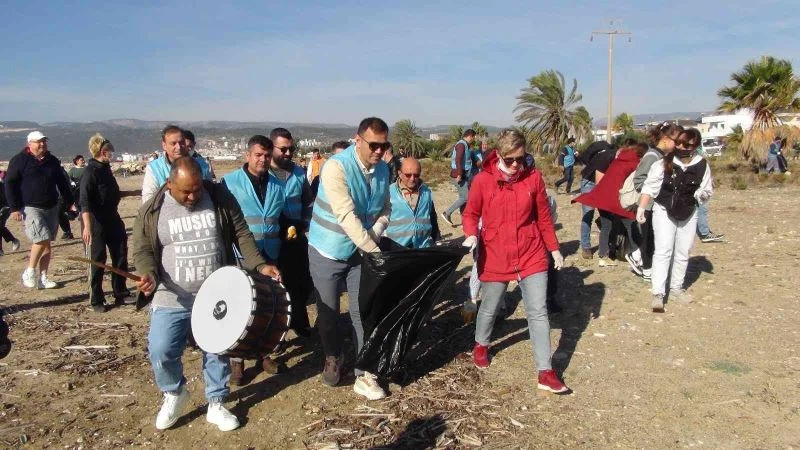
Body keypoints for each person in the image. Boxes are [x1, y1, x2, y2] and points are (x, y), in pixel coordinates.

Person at [132, 156, 282, 432]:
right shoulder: (152, 210)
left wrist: (260, 265)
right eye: (185, 191)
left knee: (216, 349)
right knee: (161, 349)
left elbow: (242, 234)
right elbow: (142, 249)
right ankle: (175, 393)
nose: (192, 196)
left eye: (196, 189)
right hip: (171, 296)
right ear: (169, 184)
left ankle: (216, 402)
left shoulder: (219, 197)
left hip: (215, 292)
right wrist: (147, 273)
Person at [462, 129, 570, 395]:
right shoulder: (482, 181)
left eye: (520, 159)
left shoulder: (533, 178)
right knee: (490, 305)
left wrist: (554, 249)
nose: (515, 165)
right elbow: (471, 212)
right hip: (495, 251)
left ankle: (545, 371)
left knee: (538, 310)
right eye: (509, 159)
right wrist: (470, 235)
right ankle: (481, 344)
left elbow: (544, 217)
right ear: (498, 155)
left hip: (530, 251)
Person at [308, 117, 392, 400]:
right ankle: (333, 355)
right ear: (358, 140)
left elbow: (385, 208)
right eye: (374, 145)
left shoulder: (383, 170)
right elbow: (345, 216)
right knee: (329, 312)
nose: (379, 151)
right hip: (327, 250)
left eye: (384, 145)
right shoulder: (335, 167)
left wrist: (375, 235)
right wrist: (375, 251)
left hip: (361, 252)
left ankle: (364, 370)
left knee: (361, 310)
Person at [221, 135, 287, 384]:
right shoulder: (229, 182)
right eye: (258, 154)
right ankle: (237, 361)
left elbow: (282, 218)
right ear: (248, 155)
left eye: (267, 156)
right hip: (241, 256)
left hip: (272, 253)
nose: (263, 159)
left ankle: (265, 353)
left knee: (267, 307)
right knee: (240, 308)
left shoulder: (278, 184)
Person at [636, 128, 712, 312]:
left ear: (695, 146)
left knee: (683, 251)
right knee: (663, 250)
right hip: (663, 210)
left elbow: (707, 190)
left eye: (687, 145)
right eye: (679, 143)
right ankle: (658, 293)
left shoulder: (702, 165)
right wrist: (641, 208)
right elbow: (650, 186)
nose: (681, 147)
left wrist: (701, 195)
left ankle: (677, 287)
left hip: (688, 211)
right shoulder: (663, 163)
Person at [4, 131, 77, 289]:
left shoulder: (52, 161)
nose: (42, 144)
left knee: (47, 242)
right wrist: (14, 207)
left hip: (51, 205)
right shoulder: (20, 160)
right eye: (38, 142)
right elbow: (9, 183)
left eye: (44, 141)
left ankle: (43, 277)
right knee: (41, 239)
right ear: (29, 143)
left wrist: (70, 202)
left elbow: (62, 182)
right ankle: (29, 271)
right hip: (30, 206)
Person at [80, 135, 137, 312]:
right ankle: (96, 299)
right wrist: (87, 227)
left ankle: (120, 291)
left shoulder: (106, 169)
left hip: (113, 218)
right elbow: (85, 202)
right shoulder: (90, 171)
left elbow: (111, 193)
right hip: (96, 223)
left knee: (120, 254)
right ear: (100, 151)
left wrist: (134, 192)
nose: (110, 153)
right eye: (107, 150)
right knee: (97, 260)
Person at [267, 128, 315, 339]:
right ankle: (275, 331)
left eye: (291, 149)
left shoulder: (298, 173)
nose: (288, 153)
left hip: (296, 236)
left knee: (299, 282)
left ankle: (299, 322)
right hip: (272, 236)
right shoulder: (263, 174)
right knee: (274, 286)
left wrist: (304, 224)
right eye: (283, 149)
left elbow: (309, 202)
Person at [573, 143, 648, 272]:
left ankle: (604, 255)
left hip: (603, 195)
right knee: (630, 223)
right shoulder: (632, 162)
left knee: (606, 225)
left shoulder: (620, 159)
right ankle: (636, 254)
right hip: (611, 197)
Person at [632, 123, 683, 280]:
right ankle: (645, 267)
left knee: (655, 238)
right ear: (666, 139)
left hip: (658, 205)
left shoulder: (663, 157)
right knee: (648, 239)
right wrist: (653, 192)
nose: (679, 145)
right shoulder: (652, 156)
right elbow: (639, 180)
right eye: (677, 141)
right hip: (648, 206)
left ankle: (649, 265)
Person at [141, 125, 213, 204]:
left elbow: (209, 192)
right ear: (164, 145)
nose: (178, 147)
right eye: (173, 143)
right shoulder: (155, 168)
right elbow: (148, 199)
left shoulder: (201, 164)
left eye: (181, 143)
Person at [384, 157, 440, 248]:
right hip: (397, 249)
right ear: (400, 173)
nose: (412, 179)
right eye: (408, 175)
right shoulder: (389, 192)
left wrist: (437, 239)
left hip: (422, 247)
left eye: (416, 175)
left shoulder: (426, 192)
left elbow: (432, 218)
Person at [575, 140, 615, 259]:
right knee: (588, 214)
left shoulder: (616, 157)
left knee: (607, 215)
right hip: (589, 182)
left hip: (604, 184)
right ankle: (586, 247)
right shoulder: (599, 147)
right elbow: (585, 159)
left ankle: (605, 247)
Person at [441, 129, 477, 226]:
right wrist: (459, 174)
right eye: (473, 138)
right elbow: (458, 160)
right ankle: (447, 213)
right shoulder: (461, 145)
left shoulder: (465, 145)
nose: (473, 140)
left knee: (464, 197)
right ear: (470, 136)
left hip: (464, 175)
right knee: (465, 197)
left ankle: (464, 219)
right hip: (459, 175)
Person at [0, 172, 21, 256]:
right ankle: (13, 240)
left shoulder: (2, 183)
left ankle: (0, 250)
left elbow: (6, 197)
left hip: (4, 208)